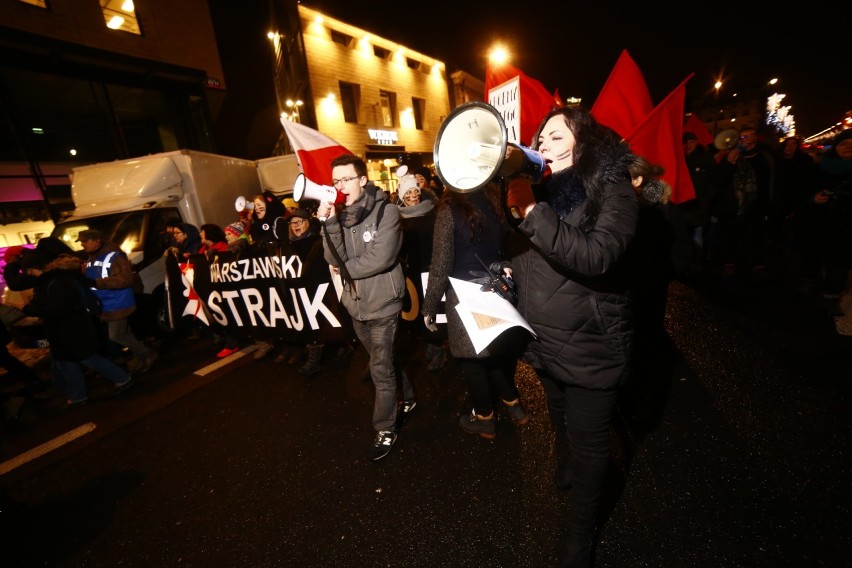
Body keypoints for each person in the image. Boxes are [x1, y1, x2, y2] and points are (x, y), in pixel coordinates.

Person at [508, 106, 638, 567]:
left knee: (589, 448)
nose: (542, 143)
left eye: (555, 136)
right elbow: (525, 260)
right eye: (539, 137)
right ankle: (565, 465)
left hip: (590, 345)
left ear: (583, 142)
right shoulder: (537, 190)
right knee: (558, 415)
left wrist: (530, 212)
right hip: (543, 341)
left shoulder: (612, 189)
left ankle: (579, 536)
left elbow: (597, 257)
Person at [316, 153, 414, 462]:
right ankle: (407, 397)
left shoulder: (387, 212)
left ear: (362, 179)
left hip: (384, 302)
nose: (340, 186)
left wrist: (344, 269)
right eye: (335, 181)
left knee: (379, 368)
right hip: (356, 302)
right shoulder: (341, 215)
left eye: (346, 179)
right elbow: (332, 258)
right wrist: (329, 222)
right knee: (380, 359)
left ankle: (385, 427)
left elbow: (380, 258)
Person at [422, 182, 529, 439]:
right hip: (493, 288)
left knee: (471, 362)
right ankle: (514, 405)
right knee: (490, 353)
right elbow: (506, 244)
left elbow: (441, 263)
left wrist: (429, 305)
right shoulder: (493, 199)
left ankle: (484, 418)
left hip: (464, 295)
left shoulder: (450, 209)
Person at [620, 156, 692, 426]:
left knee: (646, 342)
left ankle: (643, 401)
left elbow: (682, 251)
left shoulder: (664, 209)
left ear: (638, 180)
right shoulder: (616, 208)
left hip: (650, 290)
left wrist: (659, 275)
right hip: (620, 290)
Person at [20, 249, 135, 408]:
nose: (29, 274)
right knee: (67, 362)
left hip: (71, 330)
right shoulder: (49, 282)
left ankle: (121, 378)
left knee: (86, 358)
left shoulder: (57, 282)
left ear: (34, 269)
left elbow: (59, 309)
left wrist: (29, 309)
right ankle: (77, 395)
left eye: (29, 270)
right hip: (63, 331)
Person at [78, 229, 159, 374]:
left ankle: (148, 354)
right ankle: (143, 358)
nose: (82, 245)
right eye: (81, 242)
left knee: (116, 335)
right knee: (125, 334)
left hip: (118, 303)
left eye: (85, 241)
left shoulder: (115, 256)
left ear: (97, 240)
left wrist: (97, 283)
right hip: (106, 305)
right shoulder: (92, 258)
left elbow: (126, 280)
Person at [397, 173, 447, 372]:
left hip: (432, 268)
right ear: (402, 196)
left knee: (435, 309)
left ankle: (438, 346)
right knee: (419, 312)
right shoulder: (397, 217)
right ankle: (430, 342)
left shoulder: (433, 212)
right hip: (412, 272)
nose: (412, 195)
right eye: (408, 192)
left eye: (415, 191)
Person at [805, 129, 852, 316]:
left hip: (848, 223)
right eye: (843, 143)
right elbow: (807, 189)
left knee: (840, 262)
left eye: (851, 143)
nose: (848, 147)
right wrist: (813, 197)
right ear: (836, 147)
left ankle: (832, 293)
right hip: (826, 223)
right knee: (828, 259)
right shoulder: (823, 167)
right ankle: (823, 290)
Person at [248, 192, 287, 360]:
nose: (257, 207)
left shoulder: (278, 221)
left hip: (280, 274)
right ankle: (279, 342)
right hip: (264, 275)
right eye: (255, 205)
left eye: (260, 203)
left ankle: (293, 345)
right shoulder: (255, 225)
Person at [679, 132, 718, 273]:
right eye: (685, 143)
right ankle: (686, 262)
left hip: (699, 207)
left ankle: (696, 261)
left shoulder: (705, 158)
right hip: (683, 207)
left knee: (697, 236)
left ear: (696, 142)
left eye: (691, 142)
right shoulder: (680, 157)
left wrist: (706, 201)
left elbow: (714, 182)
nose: (688, 146)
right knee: (684, 236)